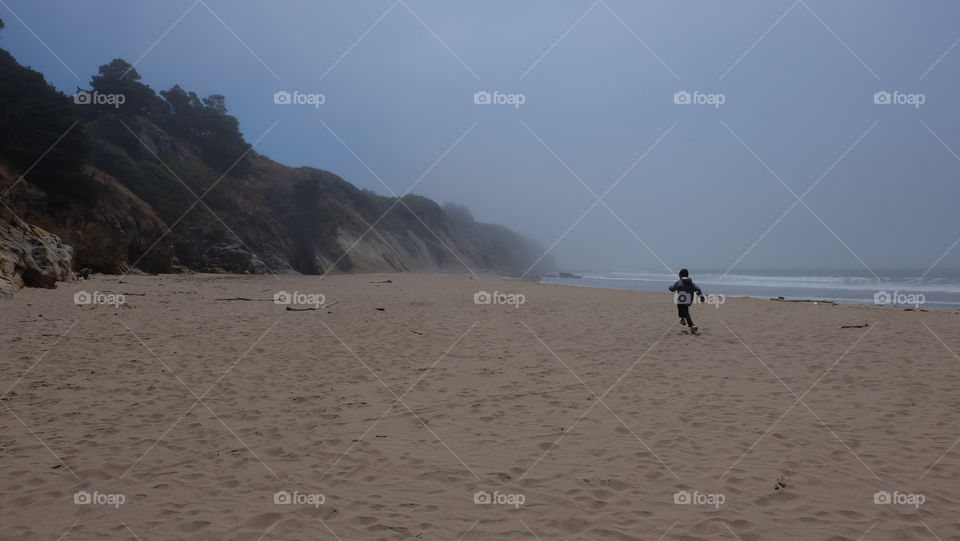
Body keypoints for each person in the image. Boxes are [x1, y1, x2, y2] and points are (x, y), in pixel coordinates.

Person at [668, 268, 704, 333]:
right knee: (683, 308)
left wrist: (669, 287)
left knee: (684, 310)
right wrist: (701, 297)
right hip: (689, 300)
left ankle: (691, 325)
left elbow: (672, 289)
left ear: (680, 275)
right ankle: (683, 319)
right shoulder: (691, 283)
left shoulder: (679, 282)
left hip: (682, 300)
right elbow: (697, 289)